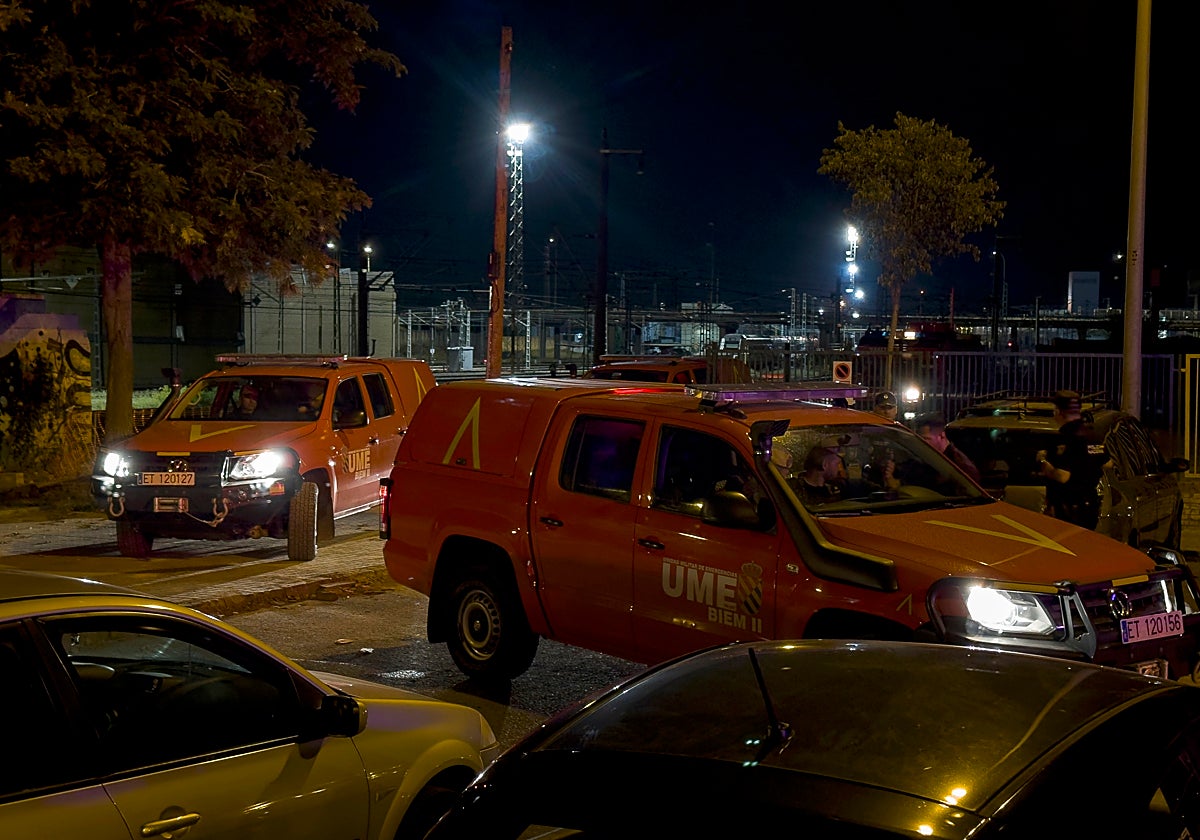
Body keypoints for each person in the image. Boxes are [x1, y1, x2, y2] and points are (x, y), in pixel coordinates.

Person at [1036, 390, 1106, 529]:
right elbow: (1107, 463)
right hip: (1091, 506)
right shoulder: (1093, 435)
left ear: (1059, 412)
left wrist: (1043, 462)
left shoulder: (1065, 438)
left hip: (1068, 510)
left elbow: (1062, 476)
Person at [917, 412, 982, 483]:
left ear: (941, 436)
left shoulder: (959, 464)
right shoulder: (928, 457)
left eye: (926, 439)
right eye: (919, 439)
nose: (920, 442)